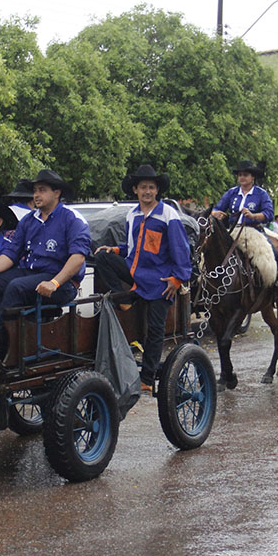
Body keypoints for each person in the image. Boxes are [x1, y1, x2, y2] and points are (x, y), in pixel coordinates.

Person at [94, 164, 192, 393]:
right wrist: (115, 250)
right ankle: (124, 300)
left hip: (159, 280)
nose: (147, 192)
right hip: (135, 271)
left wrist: (177, 279)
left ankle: (147, 379)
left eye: (151, 187)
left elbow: (180, 248)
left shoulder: (168, 214)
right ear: (135, 190)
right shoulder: (132, 214)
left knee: (155, 330)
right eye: (142, 188)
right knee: (102, 258)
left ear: (157, 190)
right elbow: (130, 248)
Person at [0, 169, 91, 358]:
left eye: (42, 190)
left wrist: (54, 283)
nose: (36, 195)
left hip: (61, 282)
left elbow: (77, 258)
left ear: (57, 193)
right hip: (30, 274)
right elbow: (11, 254)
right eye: (35, 190)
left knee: (16, 287)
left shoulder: (72, 218)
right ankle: (2, 340)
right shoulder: (29, 220)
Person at [212, 159, 278, 283]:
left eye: (245, 175)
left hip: (254, 231)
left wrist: (254, 216)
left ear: (252, 177)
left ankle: (277, 285)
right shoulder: (232, 192)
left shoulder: (261, 194)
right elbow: (216, 208)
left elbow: (269, 213)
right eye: (240, 175)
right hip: (232, 231)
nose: (242, 177)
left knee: (273, 253)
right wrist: (215, 213)